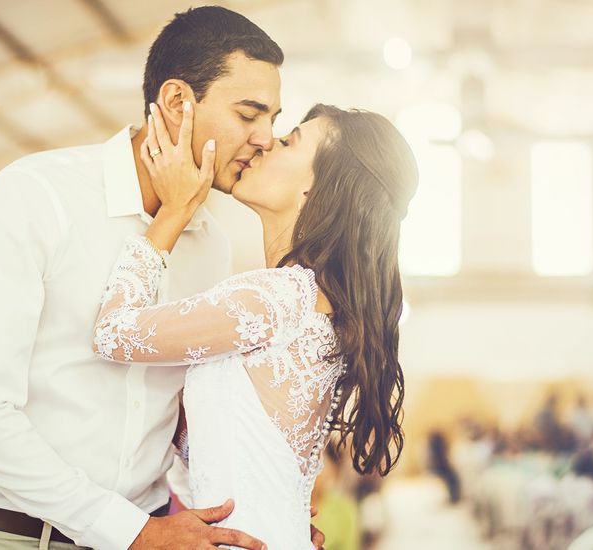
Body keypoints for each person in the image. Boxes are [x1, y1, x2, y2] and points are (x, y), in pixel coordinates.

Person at [0, 6, 316, 550]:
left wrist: (260, 513)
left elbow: (174, 426)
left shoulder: (211, 246)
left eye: (273, 120)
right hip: (7, 537)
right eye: (249, 114)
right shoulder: (36, 196)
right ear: (178, 103)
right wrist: (129, 531)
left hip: (151, 532)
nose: (264, 139)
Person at [93, 101, 417, 547]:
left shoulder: (276, 297)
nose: (264, 143)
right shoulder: (315, 303)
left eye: (287, 141)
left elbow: (113, 334)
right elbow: (230, 448)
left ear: (316, 191)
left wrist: (173, 212)